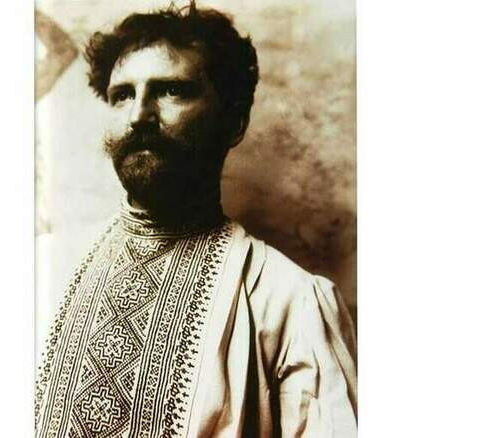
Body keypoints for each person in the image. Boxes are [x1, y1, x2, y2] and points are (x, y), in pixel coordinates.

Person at [35, 3, 357, 437]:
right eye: (122, 95)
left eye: (172, 90)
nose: (139, 116)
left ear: (234, 122)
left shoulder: (289, 304)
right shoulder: (45, 268)